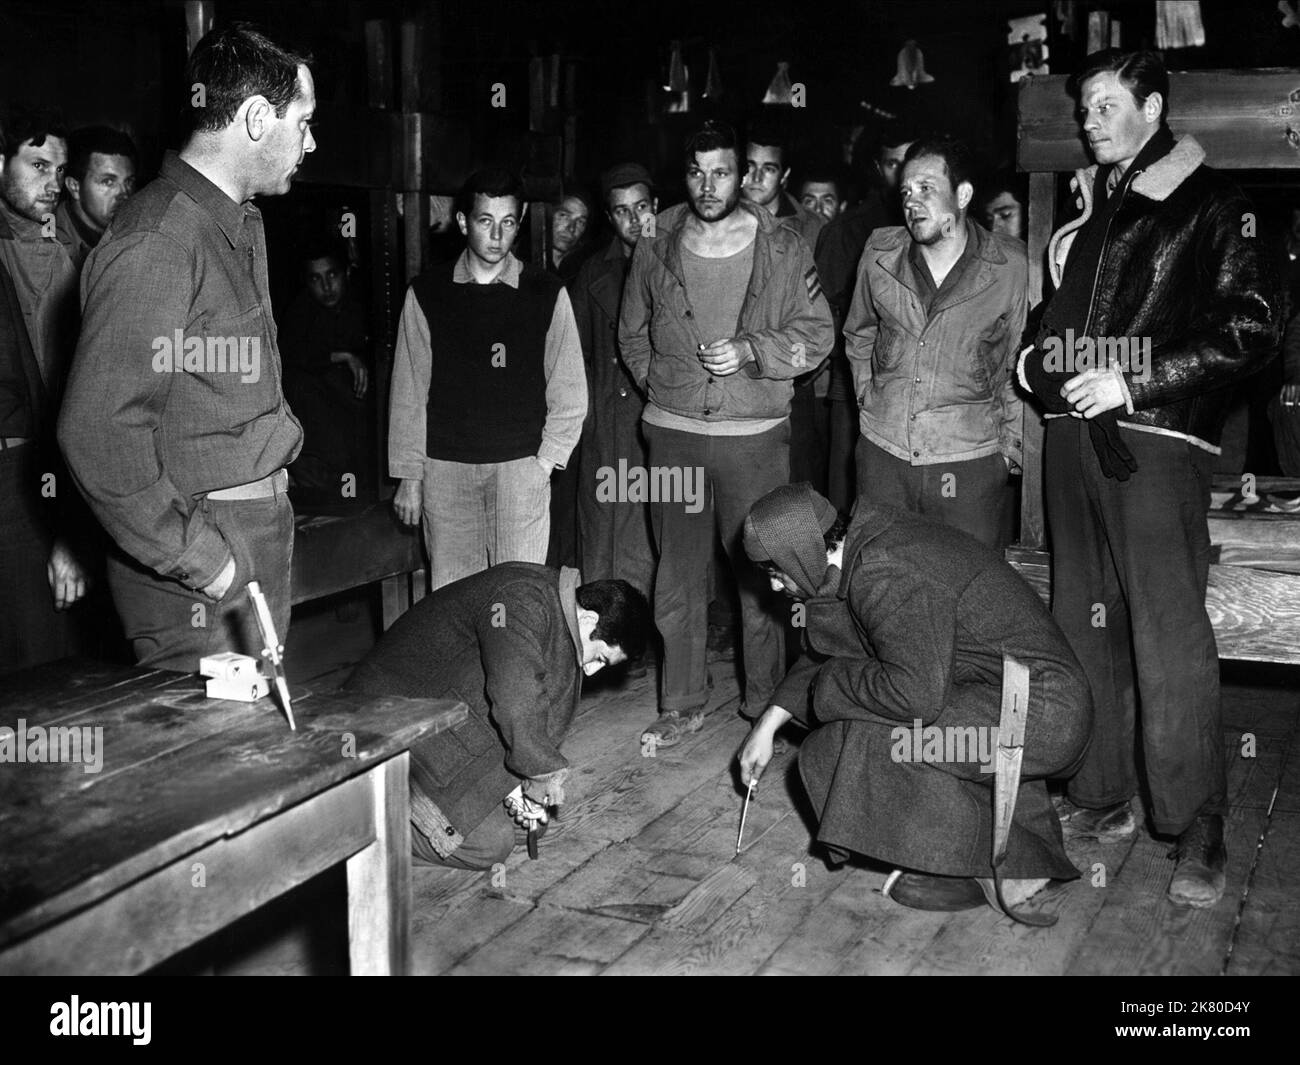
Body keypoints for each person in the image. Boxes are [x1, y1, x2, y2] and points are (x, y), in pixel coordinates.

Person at [1017, 49, 1283, 907]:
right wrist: (1033, 364)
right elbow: (1052, 322)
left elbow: (1253, 326)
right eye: (1083, 107)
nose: (1088, 120)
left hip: (1154, 441)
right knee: (1081, 622)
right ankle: (1100, 795)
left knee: (1168, 633)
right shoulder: (1087, 217)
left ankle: (1196, 818)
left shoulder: (1212, 204)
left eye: (1104, 105)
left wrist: (1136, 379)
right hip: (1069, 440)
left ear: (1153, 106)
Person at [59, 25, 314, 672]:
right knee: (219, 766)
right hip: (201, 562)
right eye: (303, 122)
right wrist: (208, 560)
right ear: (258, 118)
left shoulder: (232, 224)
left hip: (249, 533)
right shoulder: (161, 241)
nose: (311, 142)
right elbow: (97, 432)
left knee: (259, 756)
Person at [737, 484, 1092, 918]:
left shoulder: (886, 571)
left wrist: (826, 687)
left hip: (1041, 714)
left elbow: (913, 697)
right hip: (1008, 698)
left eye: (777, 572)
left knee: (856, 740)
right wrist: (768, 725)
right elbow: (840, 647)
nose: (775, 587)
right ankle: (1015, 841)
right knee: (855, 719)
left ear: (802, 555)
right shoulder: (863, 547)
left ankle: (1002, 866)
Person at [619, 120, 833, 747]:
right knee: (678, 573)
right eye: (695, 171)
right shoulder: (655, 241)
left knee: (761, 574)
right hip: (674, 433)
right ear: (681, 174)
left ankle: (764, 703)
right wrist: (664, 390)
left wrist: (752, 352)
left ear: (743, 175)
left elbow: (816, 336)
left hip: (755, 436)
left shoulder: (785, 246)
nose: (708, 185)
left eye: (722, 171)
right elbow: (632, 333)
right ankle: (682, 701)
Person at [344, 566, 651, 869]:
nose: (591, 670)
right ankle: (348, 833)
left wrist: (518, 782)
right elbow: (514, 694)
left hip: (443, 724)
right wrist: (539, 772)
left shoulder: (556, 609)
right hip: (389, 727)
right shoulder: (518, 599)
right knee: (489, 846)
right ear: (588, 618)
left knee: (531, 825)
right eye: (600, 657)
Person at [389, 167, 587, 590]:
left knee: (518, 596)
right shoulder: (427, 293)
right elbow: (409, 390)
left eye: (508, 222)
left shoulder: (546, 292)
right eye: (485, 221)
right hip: (445, 473)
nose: (497, 235)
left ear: (521, 221)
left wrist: (545, 463)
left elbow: (570, 389)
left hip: (521, 471)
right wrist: (409, 475)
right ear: (463, 222)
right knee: (453, 600)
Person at [845, 134, 1026, 548]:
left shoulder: (1010, 266)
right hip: (884, 455)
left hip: (968, 461)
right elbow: (858, 333)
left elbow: (1017, 359)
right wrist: (870, 401)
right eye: (906, 191)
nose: (912, 201)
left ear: (962, 195)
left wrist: (1007, 452)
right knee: (883, 587)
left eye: (926, 189)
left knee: (967, 593)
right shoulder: (879, 254)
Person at [0, 107, 94, 672]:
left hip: (26, 480)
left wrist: (66, 530)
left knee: (39, 665)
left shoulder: (62, 260)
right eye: (38, 165)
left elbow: (70, 403)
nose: (52, 184)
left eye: (59, 170)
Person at [815, 123, 913, 512]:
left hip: (920, 392)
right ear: (877, 167)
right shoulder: (848, 231)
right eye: (893, 163)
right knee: (851, 500)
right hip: (856, 387)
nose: (902, 174)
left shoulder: (942, 228)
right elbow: (822, 316)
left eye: (912, 162)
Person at [572, 162, 658, 599]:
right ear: (610, 218)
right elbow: (573, 356)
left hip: (659, 425)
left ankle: (646, 641)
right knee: (602, 536)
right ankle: (603, 644)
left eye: (640, 207)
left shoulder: (682, 265)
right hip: (605, 426)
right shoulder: (591, 275)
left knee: (651, 536)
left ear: (655, 207)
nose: (633, 220)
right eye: (621, 211)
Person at [279, 234, 372, 510]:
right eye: (316, 279)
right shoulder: (300, 313)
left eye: (332, 275)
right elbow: (293, 354)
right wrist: (342, 357)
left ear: (345, 273)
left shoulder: (364, 306)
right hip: (318, 446)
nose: (326, 286)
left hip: (358, 442)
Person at [57, 125, 137, 268]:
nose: (124, 194)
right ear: (74, 187)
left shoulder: (133, 232)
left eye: (129, 182)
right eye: (108, 182)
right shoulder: (50, 246)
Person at [548, 190, 592, 284]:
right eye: (564, 216)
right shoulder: (518, 261)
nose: (571, 228)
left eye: (580, 222)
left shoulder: (586, 272)